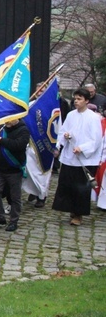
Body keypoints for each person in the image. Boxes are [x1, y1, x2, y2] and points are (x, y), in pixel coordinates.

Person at [51, 87, 102, 226]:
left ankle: (78, 214)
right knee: (68, 185)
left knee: (81, 188)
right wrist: (63, 140)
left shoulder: (93, 117)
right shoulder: (71, 115)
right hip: (69, 157)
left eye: (79, 99)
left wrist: (82, 148)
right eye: (75, 98)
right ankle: (71, 210)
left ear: (86, 100)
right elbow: (63, 131)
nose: (76, 101)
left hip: (85, 159)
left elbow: (96, 139)